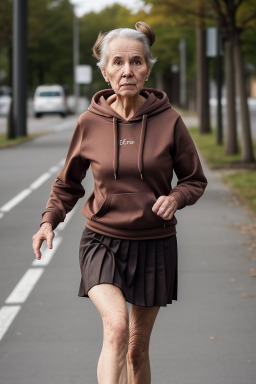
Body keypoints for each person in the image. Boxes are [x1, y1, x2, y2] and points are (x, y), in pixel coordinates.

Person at [32, 21, 207, 384]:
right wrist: (49, 220)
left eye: (136, 62)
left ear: (147, 68)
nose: (127, 70)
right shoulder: (89, 123)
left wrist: (176, 198)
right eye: (118, 62)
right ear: (105, 70)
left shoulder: (170, 122)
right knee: (116, 328)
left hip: (154, 244)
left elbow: (194, 180)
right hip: (102, 241)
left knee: (136, 349)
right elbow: (68, 183)